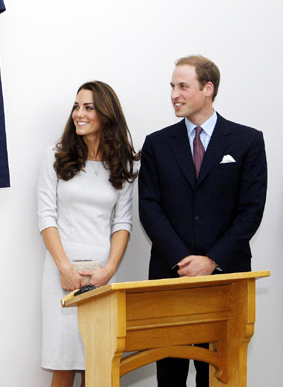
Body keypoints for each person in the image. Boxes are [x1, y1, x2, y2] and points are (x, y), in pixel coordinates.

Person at [138, 55, 268, 386]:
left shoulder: (247, 141)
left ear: (207, 89)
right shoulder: (156, 144)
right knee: (169, 372)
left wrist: (211, 261)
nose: (174, 94)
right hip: (170, 276)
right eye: (172, 86)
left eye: (183, 86)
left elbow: (251, 210)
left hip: (227, 277)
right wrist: (184, 261)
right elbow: (149, 208)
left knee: (219, 375)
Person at [37, 81, 139, 387]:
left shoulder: (123, 162)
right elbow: (46, 215)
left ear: (106, 114)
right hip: (61, 273)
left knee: (97, 366)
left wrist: (108, 271)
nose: (79, 114)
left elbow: (123, 222)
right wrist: (65, 268)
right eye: (76, 106)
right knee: (63, 364)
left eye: (88, 107)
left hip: (102, 275)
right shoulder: (55, 156)